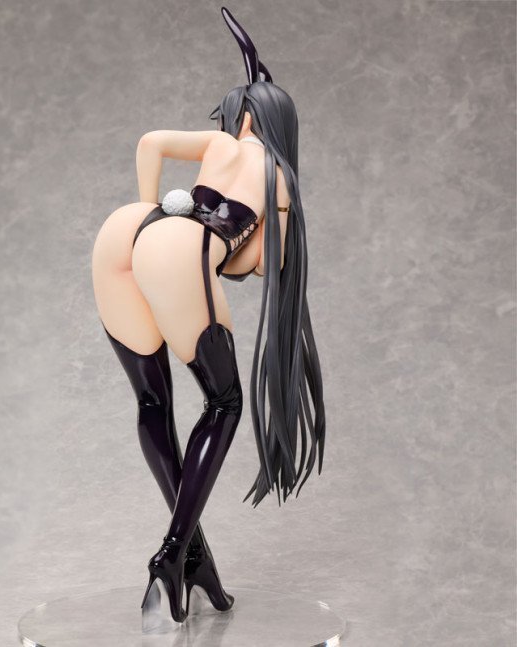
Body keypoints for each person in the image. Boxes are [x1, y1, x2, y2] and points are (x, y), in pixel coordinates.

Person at [91, 6, 326, 626]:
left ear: (242, 116)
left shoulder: (220, 146)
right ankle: (171, 556)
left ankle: (194, 560)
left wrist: (151, 216)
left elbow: (150, 142)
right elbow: (258, 264)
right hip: (180, 249)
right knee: (224, 403)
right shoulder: (278, 174)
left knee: (152, 403)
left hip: (127, 231)